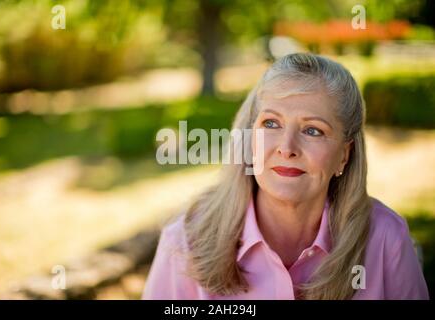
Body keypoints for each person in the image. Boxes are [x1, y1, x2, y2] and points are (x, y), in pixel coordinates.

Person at [142, 53, 429, 300]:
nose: (287, 148)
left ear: (344, 154)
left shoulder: (385, 238)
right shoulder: (185, 241)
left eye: (313, 130)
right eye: (271, 123)